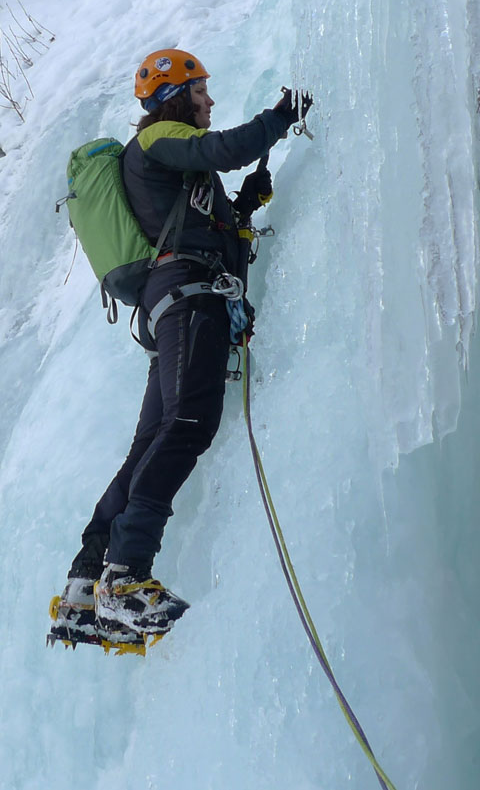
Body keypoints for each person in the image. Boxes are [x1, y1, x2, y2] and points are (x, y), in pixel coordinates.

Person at [49, 48, 311, 648]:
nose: (209, 102)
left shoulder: (181, 175)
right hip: (189, 300)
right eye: (200, 92)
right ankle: (127, 574)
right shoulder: (157, 140)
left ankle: (86, 582)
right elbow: (221, 147)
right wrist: (278, 118)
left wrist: (243, 205)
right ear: (174, 97)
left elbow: (217, 230)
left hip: (177, 302)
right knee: (190, 422)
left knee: (155, 436)